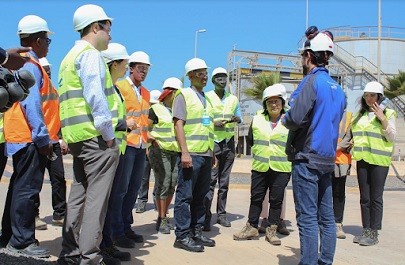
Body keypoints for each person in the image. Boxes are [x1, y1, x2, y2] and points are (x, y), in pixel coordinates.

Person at [58, 5, 120, 264]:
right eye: (108, 29)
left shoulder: (68, 58)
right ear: (95, 27)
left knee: (79, 195)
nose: (110, 35)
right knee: (97, 200)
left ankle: (70, 253)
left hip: (77, 137)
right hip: (96, 138)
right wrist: (108, 135)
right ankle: (90, 256)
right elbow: (96, 97)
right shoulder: (90, 55)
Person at [282, 27, 346, 265]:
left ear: (309, 56)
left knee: (308, 218)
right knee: (327, 218)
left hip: (307, 158)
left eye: (302, 56)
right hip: (327, 159)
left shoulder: (311, 82)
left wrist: (286, 119)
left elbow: (295, 119)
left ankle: (308, 262)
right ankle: (324, 262)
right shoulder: (338, 89)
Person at [0, 14, 55, 258]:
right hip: (30, 138)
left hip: (20, 136)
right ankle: (21, 242)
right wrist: (42, 139)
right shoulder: (29, 66)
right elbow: (31, 106)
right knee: (27, 191)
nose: (48, 45)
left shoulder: (18, 65)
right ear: (37, 41)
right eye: (47, 40)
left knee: (18, 188)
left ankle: (9, 236)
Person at [233, 84, 291, 246]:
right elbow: (251, 140)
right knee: (256, 198)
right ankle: (251, 226)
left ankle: (271, 230)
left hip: (281, 168)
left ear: (282, 102)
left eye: (276, 101)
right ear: (265, 104)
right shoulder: (257, 119)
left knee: (276, 200)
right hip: (260, 166)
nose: (273, 104)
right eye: (270, 102)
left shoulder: (290, 120)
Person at [172, 58, 215, 252]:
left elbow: (207, 127)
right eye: (199, 73)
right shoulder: (184, 95)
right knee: (184, 196)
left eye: (205, 72)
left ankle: (196, 231)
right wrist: (185, 153)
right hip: (192, 155)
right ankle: (182, 235)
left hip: (205, 154)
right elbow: (178, 124)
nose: (204, 76)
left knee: (200, 196)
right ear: (190, 76)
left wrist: (212, 152)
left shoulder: (205, 98)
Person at [109, 51, 151, 248]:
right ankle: (116, 231)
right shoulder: (120, 86)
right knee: (121, 190)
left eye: (147, 69)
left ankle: (126, 226)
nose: (143, 72)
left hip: (141, 144)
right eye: (140, 68)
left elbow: (145, 119)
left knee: (134, 189)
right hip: (127, 144)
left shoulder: (146, 93)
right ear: (131, 68)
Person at [99, 42, 133, 264]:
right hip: (106, 149)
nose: (127, 67)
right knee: (103, 202)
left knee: (113, 201)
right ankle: (101, 247)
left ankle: (108, 244)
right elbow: (99, 117)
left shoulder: (114, 88)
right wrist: (123, 123)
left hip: (117, 150)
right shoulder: (103, 87)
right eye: (125, 63)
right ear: (113, 64)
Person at [351, 81, 396, 246]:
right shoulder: (359, 115)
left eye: (372, 95)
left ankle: (374, 232)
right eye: (366, 95)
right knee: (364, 197)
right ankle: (366, 230)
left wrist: (382, 119)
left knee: (375, 197)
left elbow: (391, 137)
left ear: (379, 97)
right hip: (362, 159)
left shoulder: (389, 113)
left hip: (379, 161)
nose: (369, 98)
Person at [203, 67, 241, 230]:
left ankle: (222, 214)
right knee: (210, 181)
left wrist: (236, 118)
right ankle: (205, 216)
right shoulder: (207, 97)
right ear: (213, 81)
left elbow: (238, 117)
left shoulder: (233, 99)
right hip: (214, 142)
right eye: (218, 78)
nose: (222, 80)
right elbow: (203, 119)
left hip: (228, 142)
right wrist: (213, 123)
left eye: (224, 77)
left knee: (224, 182)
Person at [33, 57, 66, 228]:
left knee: (58, 178)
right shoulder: (33, 90)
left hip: (53, 142)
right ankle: (34, 215)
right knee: (35, 181)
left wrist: (62, 138)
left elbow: (60, 116)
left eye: (49, 70)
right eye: (44, 69)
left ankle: (59, 214)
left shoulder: (55, 91)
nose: (47, 73)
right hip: (38, 142)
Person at [148, 78, 182, 234]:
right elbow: (145, 128)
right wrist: (151, 139)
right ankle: (161, 219)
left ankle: (165, 214)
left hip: (174, 151)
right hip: (160, 150)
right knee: (164, 181)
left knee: (172, 183)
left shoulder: (178, 111)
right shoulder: (156, 109)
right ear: (169, 93)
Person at [136, 89, 162, 214]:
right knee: (144, 178)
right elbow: (143, 131)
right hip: (146, 149)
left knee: (158, 178)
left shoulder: (161, 115)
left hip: (158, 150)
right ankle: (142, 201)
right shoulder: (145, 114)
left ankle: (157, 201)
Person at [332, 111, 353, 239]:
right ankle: (323, 222)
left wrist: (334, 148)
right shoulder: (324, 111)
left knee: (339, 193)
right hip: (324, 159)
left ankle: (337, 223)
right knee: (323, 193)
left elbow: (349, 137)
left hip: (341, 161)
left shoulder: (349, 117)